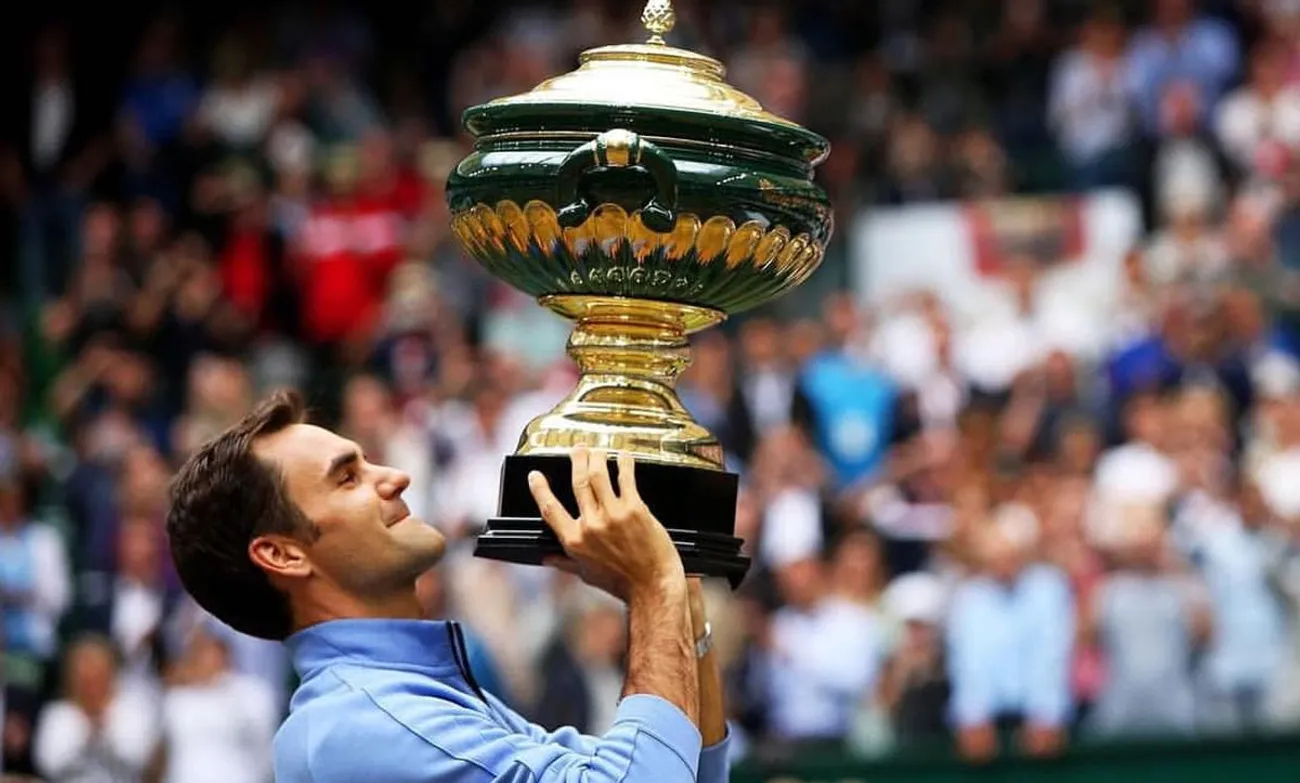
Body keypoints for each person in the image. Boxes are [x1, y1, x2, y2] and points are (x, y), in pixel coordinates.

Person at [164, 389, 729, 783]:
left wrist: (680, 600)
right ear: (283, 554)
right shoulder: (361, 724)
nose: (396, 477)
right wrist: (654, 587)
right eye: (348, 478)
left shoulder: (406, 696)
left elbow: (684, 771)